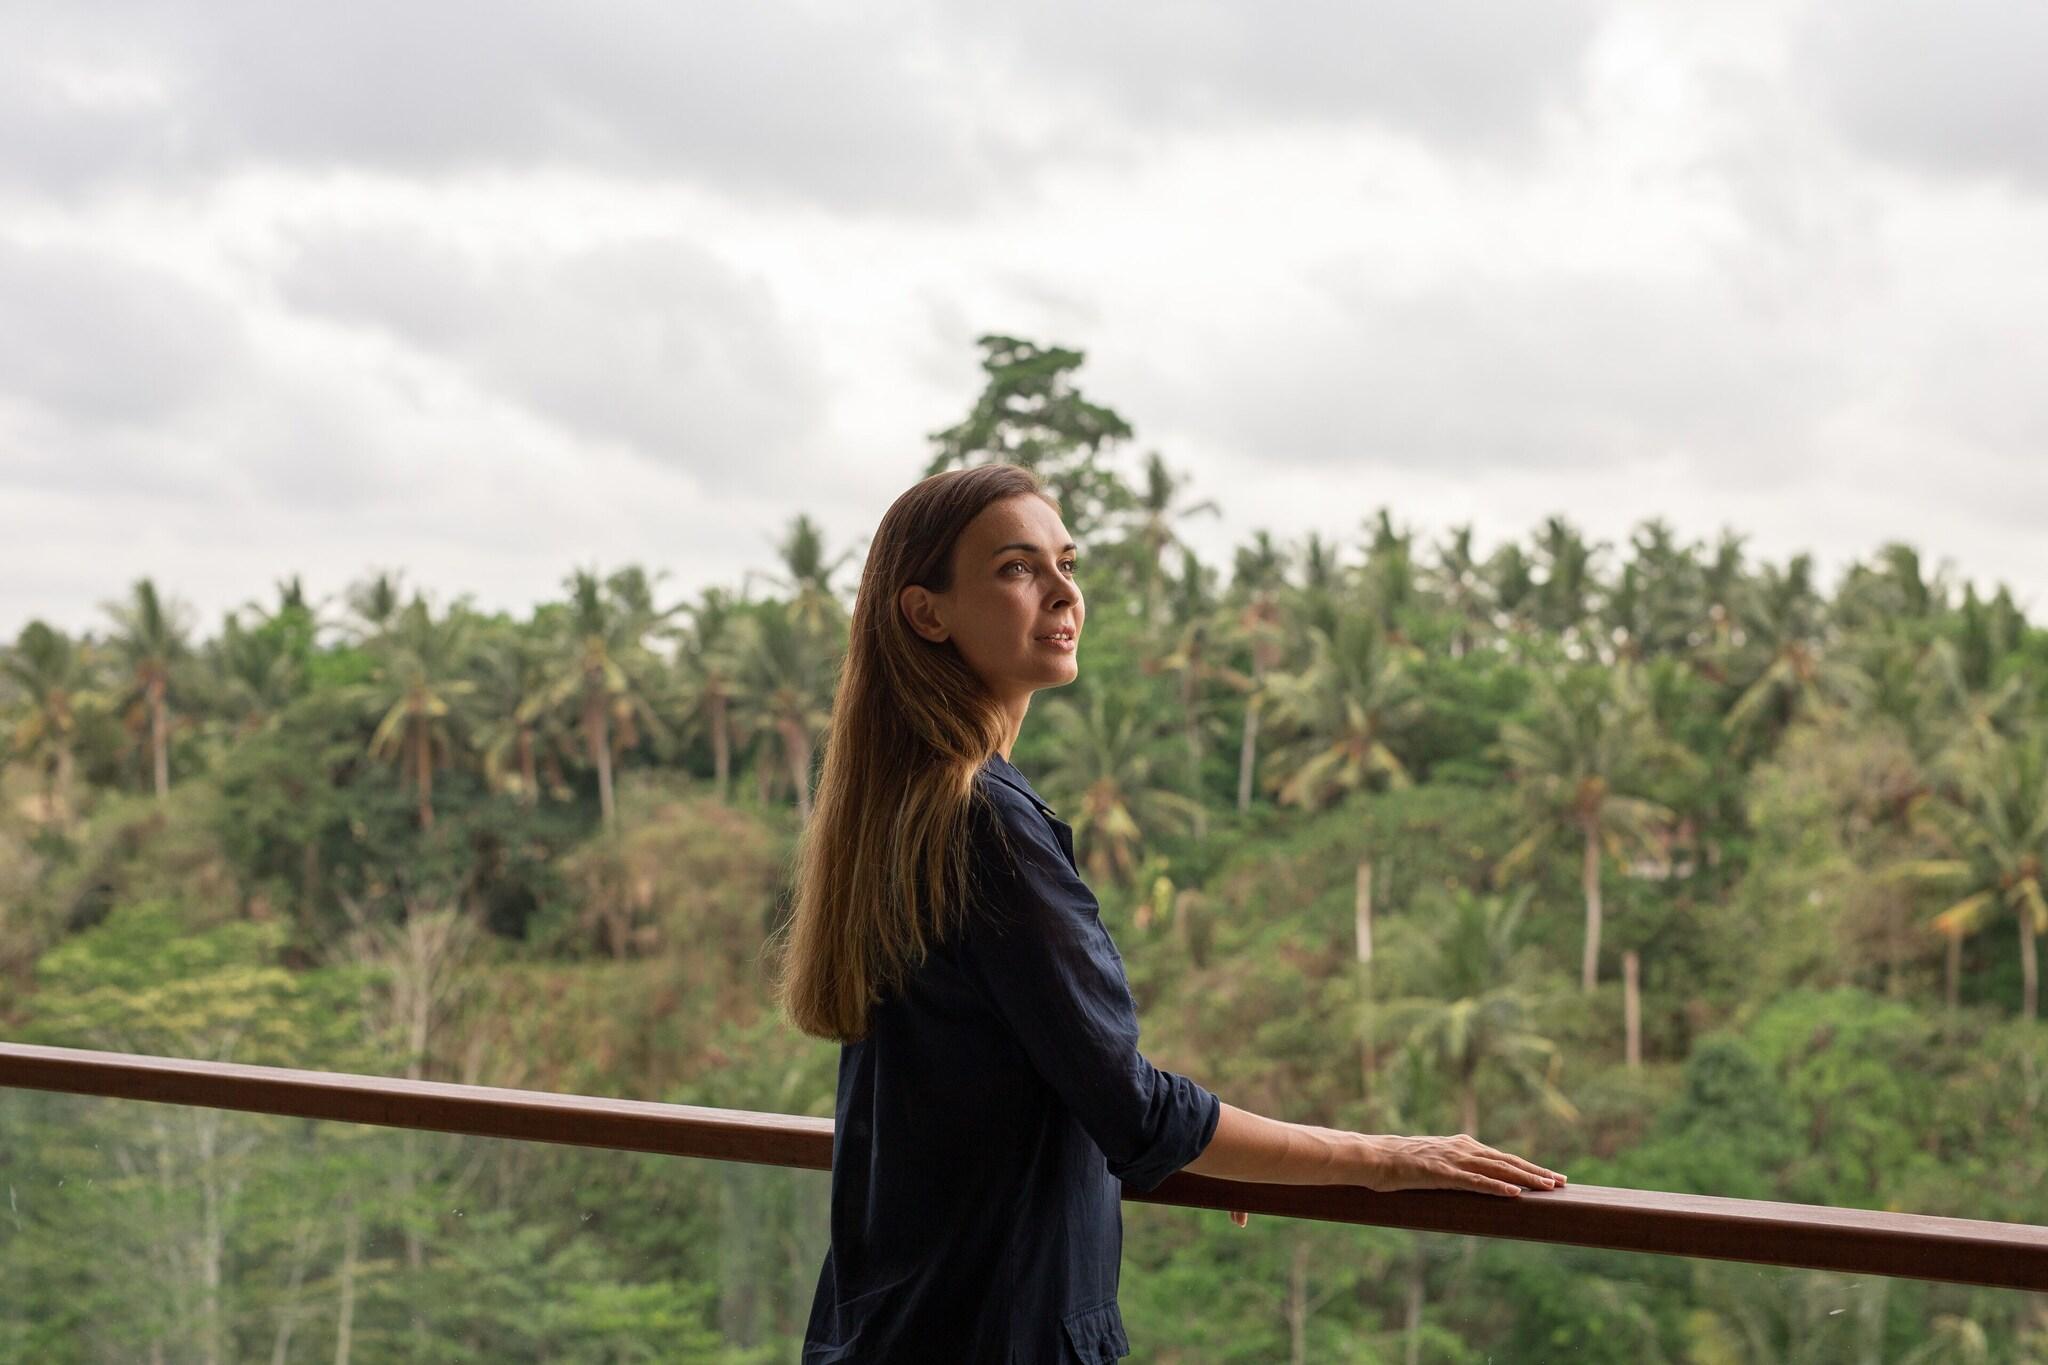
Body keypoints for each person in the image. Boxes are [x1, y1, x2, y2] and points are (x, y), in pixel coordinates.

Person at [772, 464, 1566, 1363]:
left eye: (1067, 563)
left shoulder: (899, 809)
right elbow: (1134, 1110)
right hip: (993, 1329)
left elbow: (1014, 1077)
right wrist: (1379, 1158)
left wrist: (1231, 1153)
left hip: (887, 1326)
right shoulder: (984, 823)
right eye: (1017, 568)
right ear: (928, 612)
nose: (1066, 591)